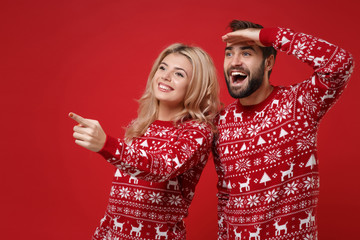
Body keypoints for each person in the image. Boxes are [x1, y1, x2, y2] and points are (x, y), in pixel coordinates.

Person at [213, 20, 354, 239]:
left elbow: (340, 63)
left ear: (268, 62)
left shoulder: (299, 103)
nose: (235, 62)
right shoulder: (220, 122)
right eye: (229, 54)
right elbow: (225, 196)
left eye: (247, 53)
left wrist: (268, 36)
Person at [69, 43, 220, 239]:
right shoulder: (140, 126)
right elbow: (117, 206)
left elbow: (163, 168)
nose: (165, 76)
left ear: (196, 86)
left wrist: (106, 144)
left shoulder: (197, 131)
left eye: (179, 74)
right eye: (163, 67)